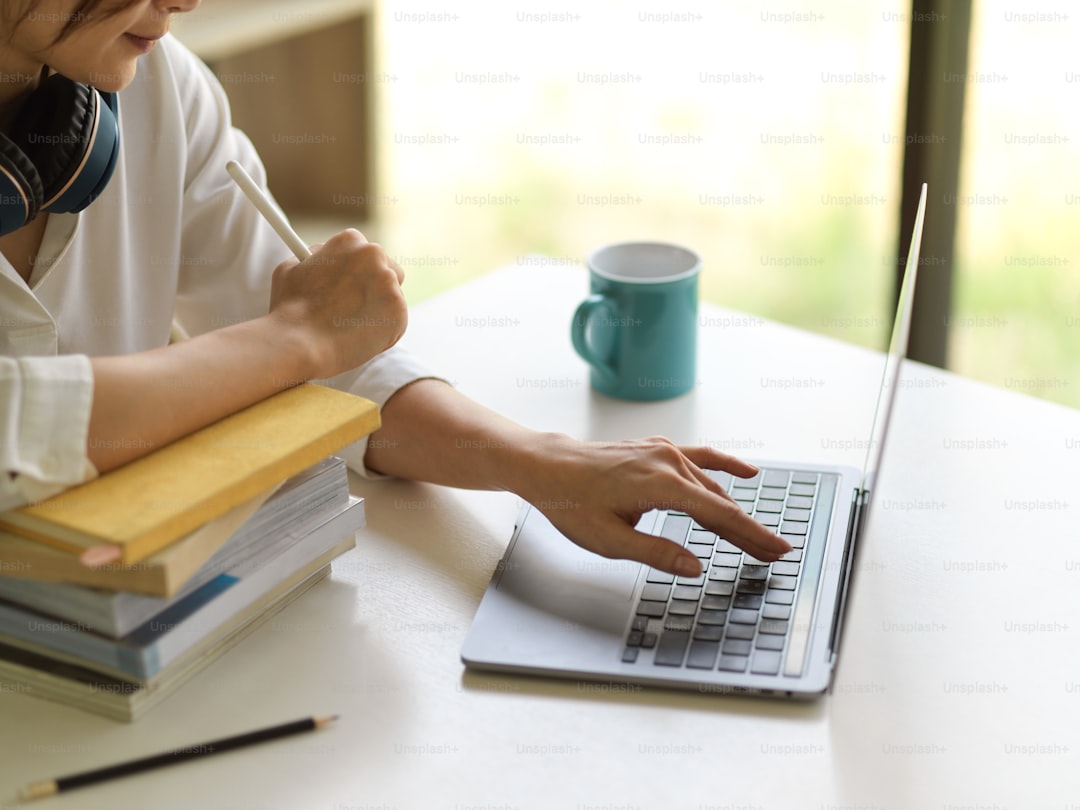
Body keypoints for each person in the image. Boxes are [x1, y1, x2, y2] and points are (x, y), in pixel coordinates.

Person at [0, 0, 790, 579]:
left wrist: (539, 462)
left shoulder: (161, 85)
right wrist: (294, 337)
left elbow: (325, 360)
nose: (186, 3)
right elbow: (20, 421)